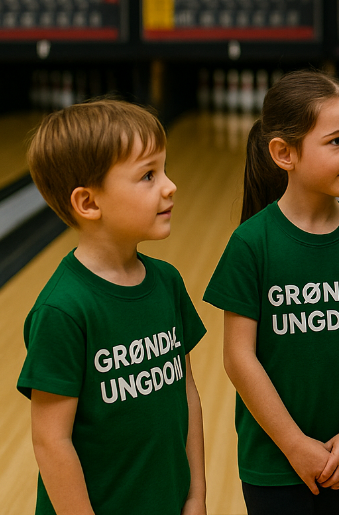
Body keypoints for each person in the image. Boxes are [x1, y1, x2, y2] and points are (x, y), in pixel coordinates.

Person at [203, 70, 339, 515]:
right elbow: (238, 358)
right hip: (275, 461)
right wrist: (294, 444)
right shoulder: (252, 244)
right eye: (336, 141)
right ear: (284, 153)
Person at [18, 99, 207, 515]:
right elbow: (51, 441)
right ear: (88, 203)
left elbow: (187, 394)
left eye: (164, 169)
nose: (170, 186)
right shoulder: (63, 311)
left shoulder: (168, 282)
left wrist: (195, 496)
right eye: (148, 175)